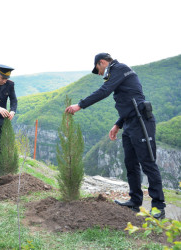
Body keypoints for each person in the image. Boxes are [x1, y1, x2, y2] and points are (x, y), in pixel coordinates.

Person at [65, 53, 166, 219]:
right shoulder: (118, 72)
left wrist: (80, 105)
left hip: (141, 122)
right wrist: (118, 124)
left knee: (147, 162)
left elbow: (105, 91)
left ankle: (158, 207)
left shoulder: (120, 68)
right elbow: (129, 101)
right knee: (130, 163)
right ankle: (135, 201)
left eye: (98, 70)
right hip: (129, 122)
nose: (100, 75)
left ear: (102, 62)